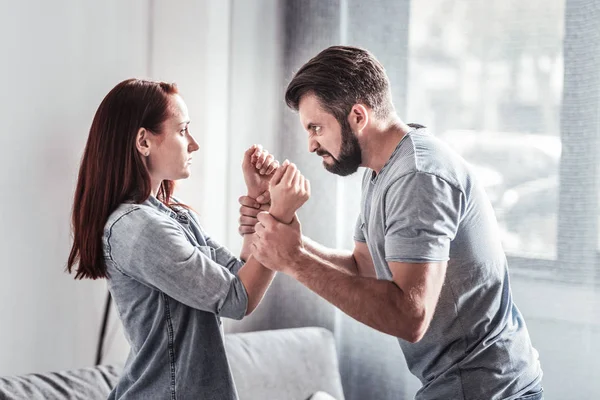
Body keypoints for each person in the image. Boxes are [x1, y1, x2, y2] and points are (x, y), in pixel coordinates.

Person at [239, 46, 544, 400]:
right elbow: (365, 268)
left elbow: (409, 316)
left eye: (316, 128)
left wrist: (294, 259)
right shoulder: (382, 171)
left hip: (487, 390)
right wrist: (287, 236)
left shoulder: (417, 175)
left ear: (357, 116)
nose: (310, 145)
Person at [66, 78, 308, 399]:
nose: (193, 143)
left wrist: (259, 199)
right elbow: (239, 299)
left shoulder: (172, 216)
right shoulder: (139, 228)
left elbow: (239, 276)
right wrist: (278, 216)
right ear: (144, 141)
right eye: (182, 131)